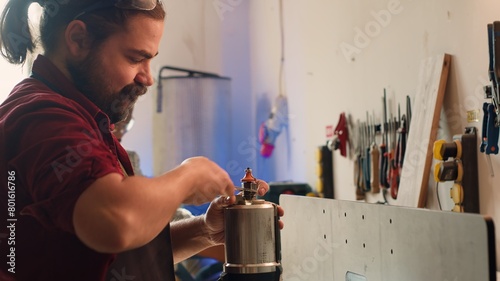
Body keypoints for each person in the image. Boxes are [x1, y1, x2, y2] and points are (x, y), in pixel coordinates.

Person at [0, 1, 284, 281]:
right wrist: (188, 176)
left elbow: (119, 255)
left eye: (151, 59)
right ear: (78, 39)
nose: (148, 78)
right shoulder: (42, 116)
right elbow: (116, 221)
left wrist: (204, 231)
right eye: (136, 58)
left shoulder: (87, 119)